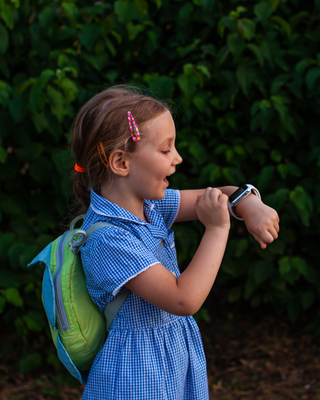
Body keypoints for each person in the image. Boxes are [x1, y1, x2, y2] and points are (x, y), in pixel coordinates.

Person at [71, 86, 279, 399]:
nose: (178, 158)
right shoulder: (109, 238)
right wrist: (218, 229)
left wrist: (250, 203)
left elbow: (216, 197)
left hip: (167, 365)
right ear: (121, 162)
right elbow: (184, 300)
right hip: (136, 378)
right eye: (166, 149)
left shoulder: (150, 206)